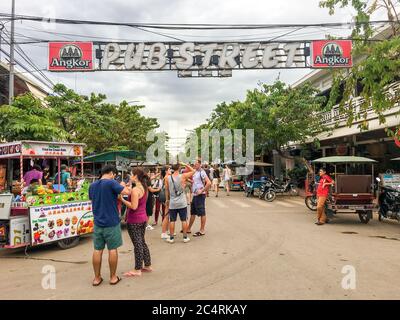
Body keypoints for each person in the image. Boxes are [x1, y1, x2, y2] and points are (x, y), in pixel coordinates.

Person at [89, 165, 131, 286]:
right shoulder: (112, 183)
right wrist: (123, 185)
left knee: (97, 250)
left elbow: (93, 201)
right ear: (112, 173)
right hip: (111, 222)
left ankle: (97, 278)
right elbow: (127, 192)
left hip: (97, 222)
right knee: (112, 249)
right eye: (115, 175)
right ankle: (113, 277)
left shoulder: (92, 186)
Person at [120, 168, 152, 277]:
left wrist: (123, 200)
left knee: (137, 244)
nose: (130, 176)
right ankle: (147, 265)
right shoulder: (143, 187)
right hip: (142, 219)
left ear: (136, 176)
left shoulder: (135, 190)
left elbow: (134, 206)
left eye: (131, 175)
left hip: (135, 220)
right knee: (142, 242)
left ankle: (137, 269)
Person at [165, 162, 195, 243]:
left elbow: (167, 190)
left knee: (172, 220)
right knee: (183, 220)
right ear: (179, 168)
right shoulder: (183, 176)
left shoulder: (167, 178)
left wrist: (167, 200)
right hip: (182, 202)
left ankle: (171, 238)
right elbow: (193, 171)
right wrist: (185, 164)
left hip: (172, 202)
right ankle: (185, 237)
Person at [187, 160, 211, 237]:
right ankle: (188, 229)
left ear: (200, 164)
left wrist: (202, 190)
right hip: (195, 195)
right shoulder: (195, 172)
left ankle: (202, 230)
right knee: (193, 212)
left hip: (200, 196)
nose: (195, 165)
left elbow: (209, 183)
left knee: (202, 213)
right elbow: (195, 182)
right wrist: (189, 181)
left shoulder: (202, 172)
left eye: (196, 164)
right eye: (194, 164)